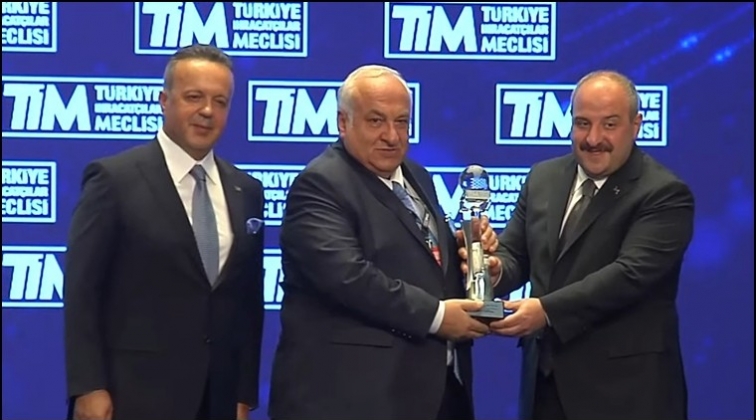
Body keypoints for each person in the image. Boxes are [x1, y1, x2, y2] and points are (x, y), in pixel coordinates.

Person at [268, 64, 500, 420]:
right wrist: (438, 316)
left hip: (434, 393)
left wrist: (473, 264)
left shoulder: (417, 175)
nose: (392, 136)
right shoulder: (320, 184)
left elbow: (423, 265)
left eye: (401, 121)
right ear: (343, 122)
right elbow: (348, 278)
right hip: (351, 400)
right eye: (376, 121)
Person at [473, 70, 694, 420]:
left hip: (627, 394)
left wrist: (546, 310)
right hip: (545, 386)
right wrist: (494, 270)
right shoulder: (543, 177)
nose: (593, 139)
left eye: (609, 125)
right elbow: (515, 254)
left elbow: (629, 276)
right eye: (582, 123)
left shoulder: (664, 193)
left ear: (636, 125)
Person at [63, 44, 265, 420]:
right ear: (164, 101)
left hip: (217, 398)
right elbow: (82, 293)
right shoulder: (114, 180)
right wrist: (88, 387)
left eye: (220, 101)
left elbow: (247, 305)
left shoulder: (247, 191)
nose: (208, 111)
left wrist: (242, 395)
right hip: (132, 395)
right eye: (194, 97)